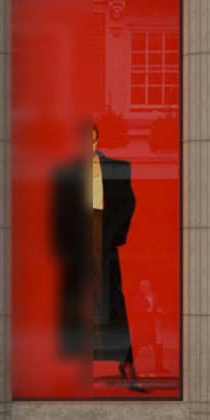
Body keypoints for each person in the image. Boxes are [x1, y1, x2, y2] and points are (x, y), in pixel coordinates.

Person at [51, 119, 143, 392]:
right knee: (75, 303)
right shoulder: (64, 171)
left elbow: (128, 203)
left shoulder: (118, 168)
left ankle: (125, 363)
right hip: (77, 240)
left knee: (111, 299)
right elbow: (57, 210)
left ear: (97, 140)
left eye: (90, 139)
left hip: (104, 235)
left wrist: (114, 236)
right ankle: (74, 369)